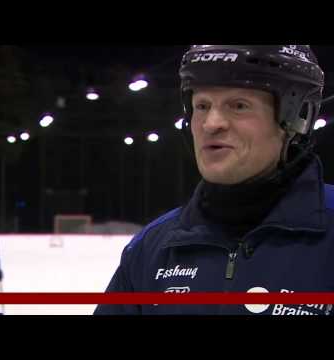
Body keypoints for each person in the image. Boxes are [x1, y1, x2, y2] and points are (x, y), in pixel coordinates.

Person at [94, 45, 333, 315]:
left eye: (238, 106)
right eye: (202, 106)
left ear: (296, 118)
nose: (211, 123)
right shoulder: (152, 248)